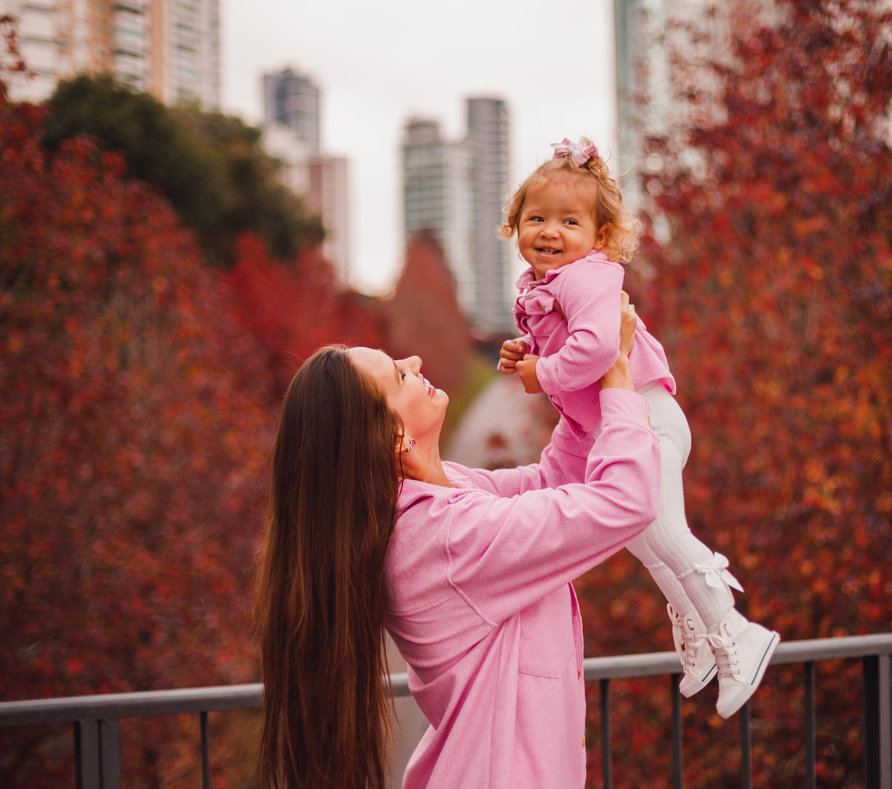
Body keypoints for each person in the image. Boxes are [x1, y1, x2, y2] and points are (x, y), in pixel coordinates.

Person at [256, 297, 660, 788]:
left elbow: (557, 481)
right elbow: (627, 501)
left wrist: (578, 369)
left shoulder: (442, 497)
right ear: (392, 435)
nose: (415, 362)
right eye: (399, 376)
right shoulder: (449, 535)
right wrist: (615, 372)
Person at [497, 137, 779, 719]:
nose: (550, 230)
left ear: (598, 238)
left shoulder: (590, 276)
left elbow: (600, 348)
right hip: (617, 426)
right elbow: (565, 347)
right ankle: (701, 641)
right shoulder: (541, 286)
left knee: (667, 531)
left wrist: (540, 373)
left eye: (569, 221)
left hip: (646, 417)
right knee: (638, 536)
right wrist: (524, 350)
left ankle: (737, 633)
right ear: (516, 224)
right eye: (537, 218)